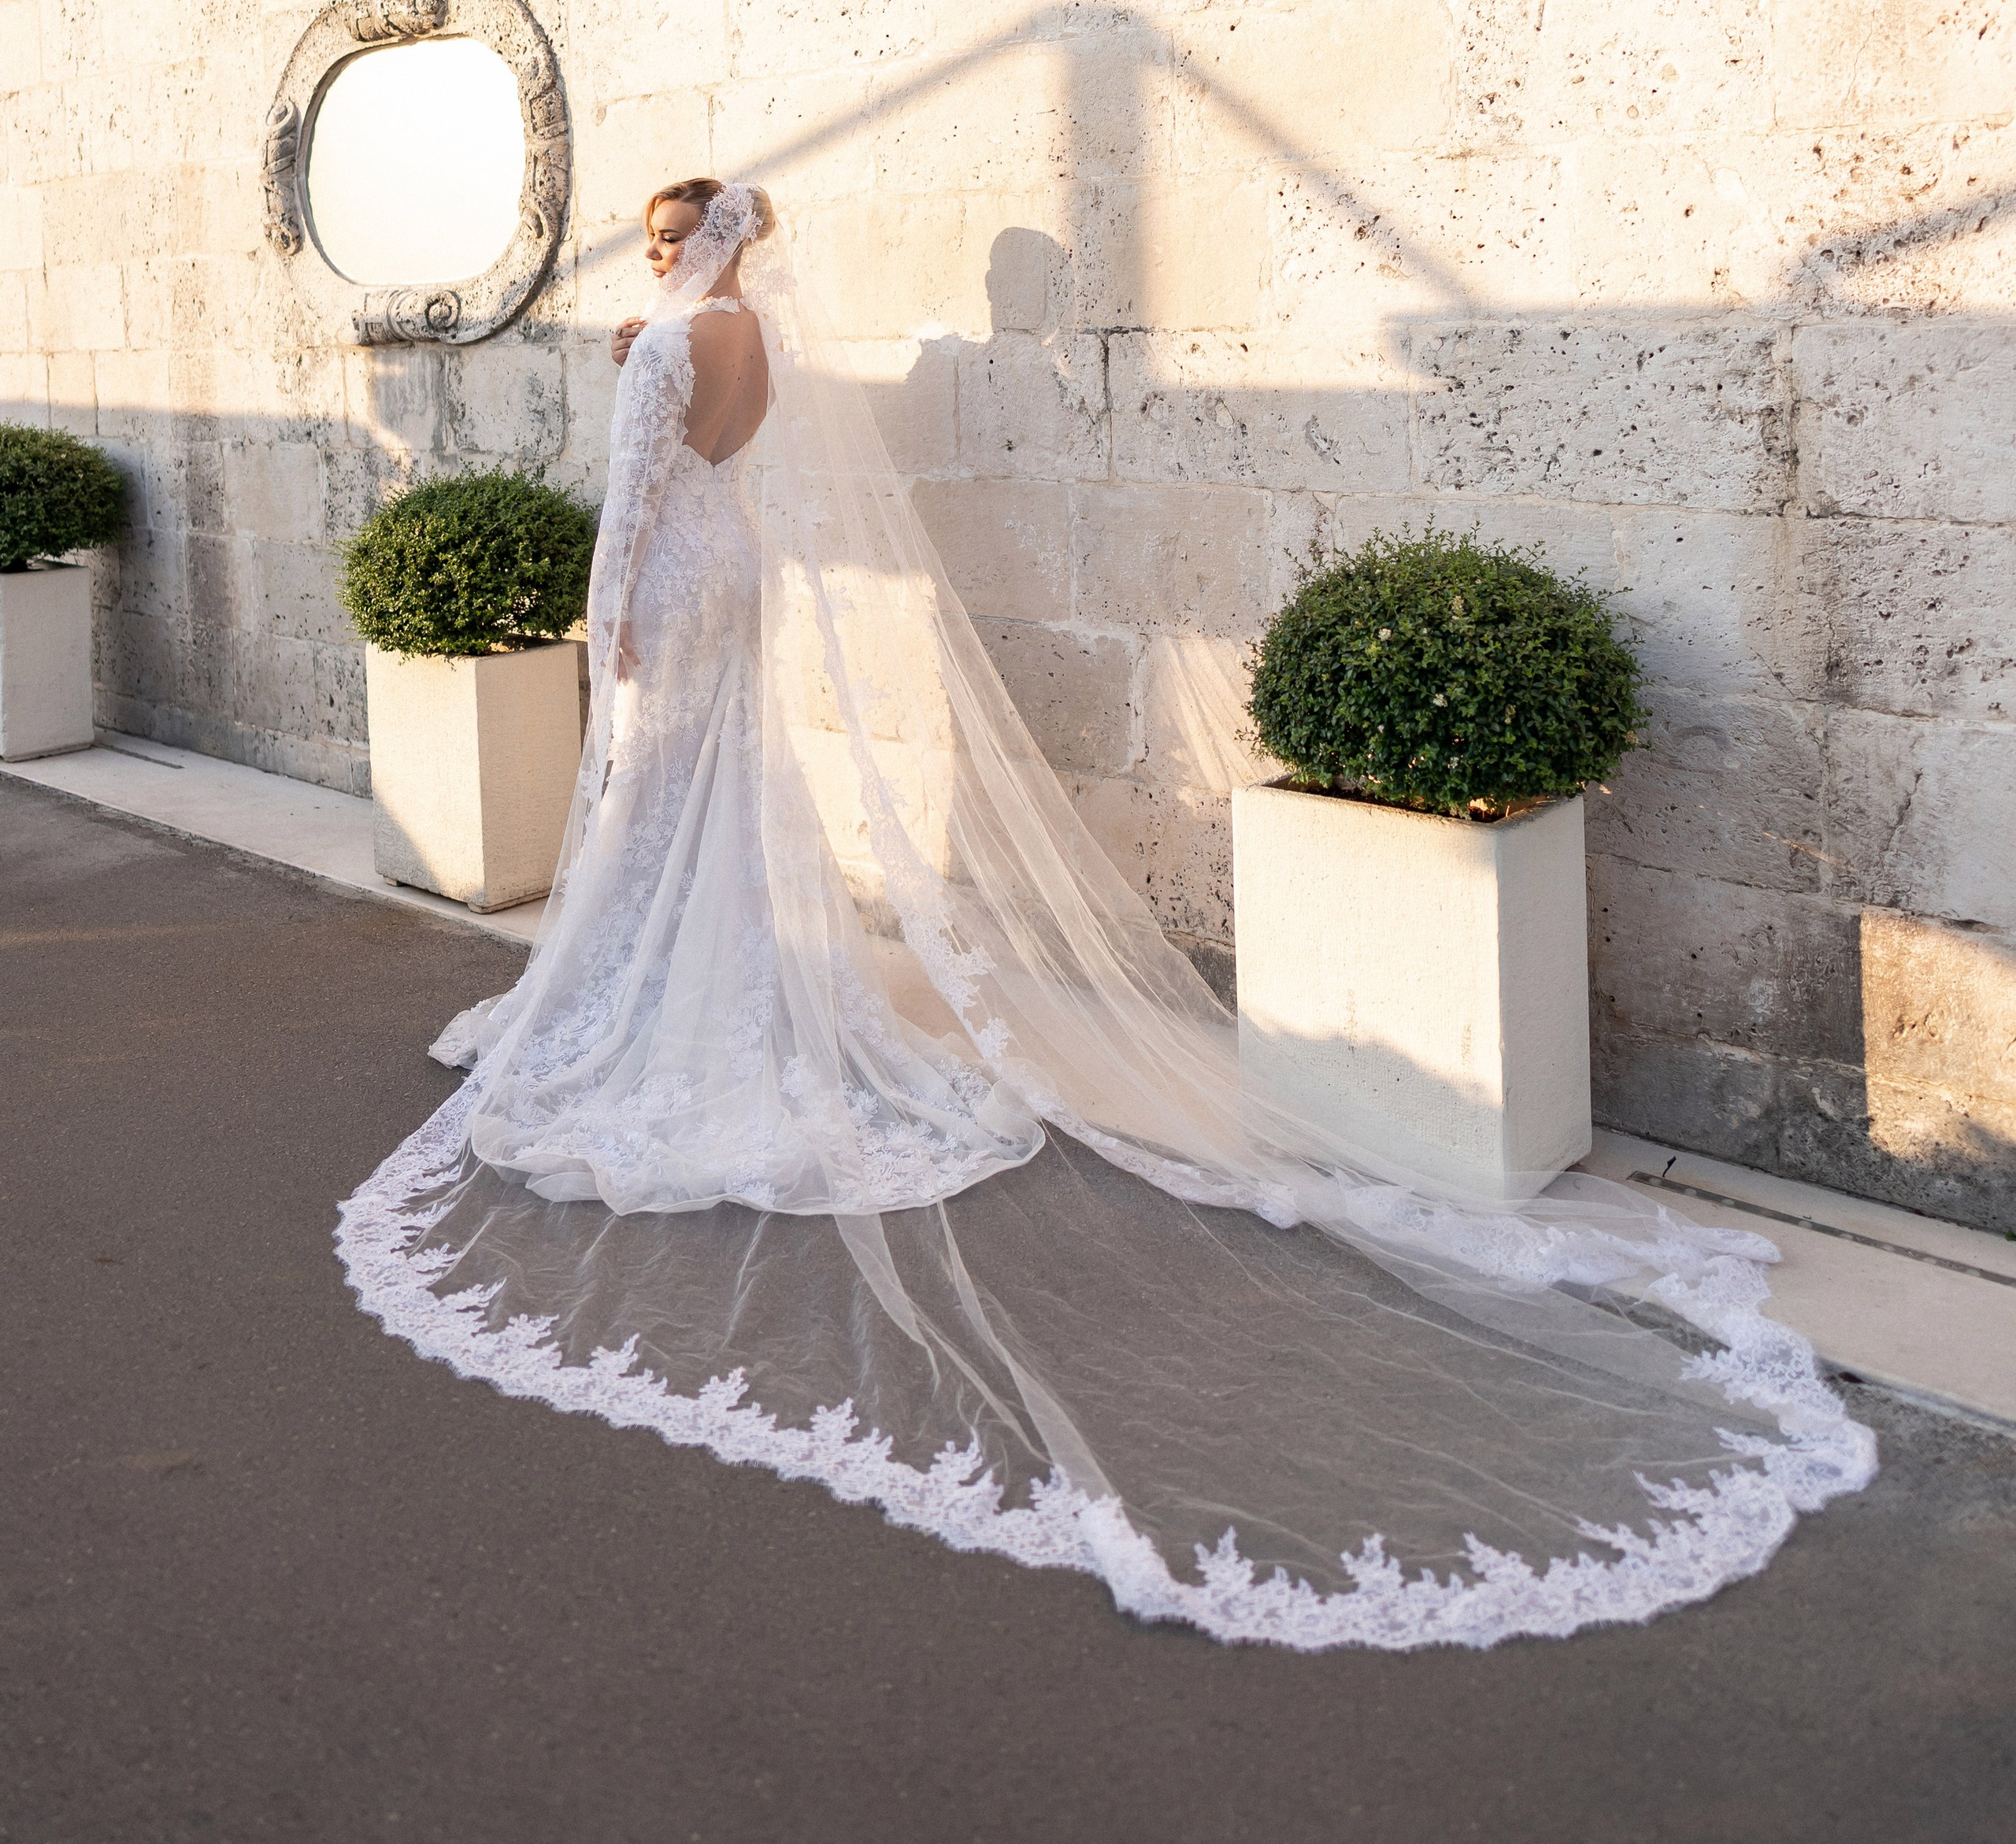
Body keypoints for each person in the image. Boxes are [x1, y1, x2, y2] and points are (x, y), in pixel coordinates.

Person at [340, 182, 1872, 1650]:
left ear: (712, 241)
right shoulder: (756, 339)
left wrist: (603, 628)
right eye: (663, 235)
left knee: (659, 796)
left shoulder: (668, 341)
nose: (664, 253)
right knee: (722, 798)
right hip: (733, 571)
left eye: (675, 232)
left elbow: (628, 498)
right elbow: (734, 445)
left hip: (671, 579)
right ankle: (709, 980)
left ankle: (637, 1001)